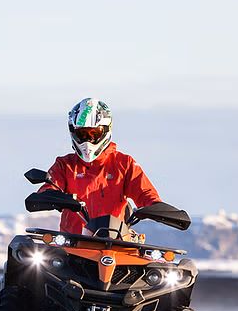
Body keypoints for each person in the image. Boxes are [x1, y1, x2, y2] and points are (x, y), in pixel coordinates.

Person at [40, 97, 162, 234]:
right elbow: (49, 186)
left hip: (115, 242)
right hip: (72, 243)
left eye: (94, 133)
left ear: (105, 131)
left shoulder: (124, 164)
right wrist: (51, 196)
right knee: (30, 251)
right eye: (82, 134)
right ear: (73, 132)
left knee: (153, 255)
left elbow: (145, 193)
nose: (88, 140)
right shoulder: (64, 165)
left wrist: (156, 207)